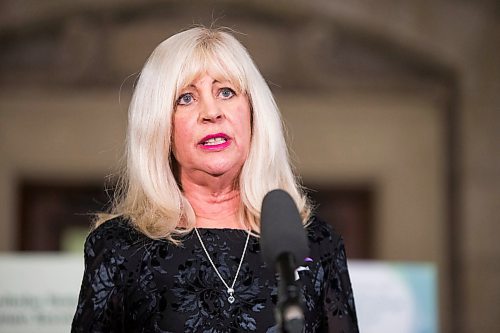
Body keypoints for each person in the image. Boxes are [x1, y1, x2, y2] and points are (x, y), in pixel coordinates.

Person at [71, 26, 358, 333]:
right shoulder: (119, 247)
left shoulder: (315, 243)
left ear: (252, 113)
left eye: (226, 92)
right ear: (160, 128)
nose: (211, 112)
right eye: (186, 98)